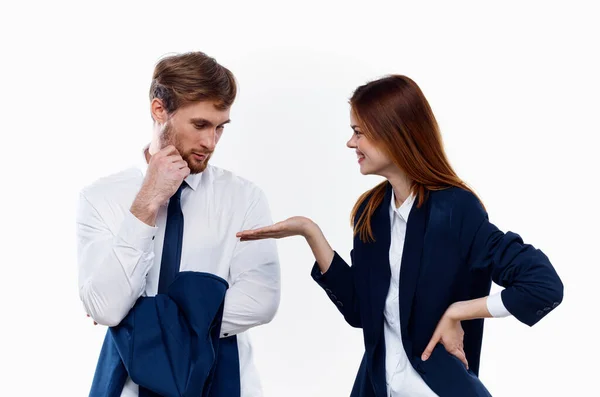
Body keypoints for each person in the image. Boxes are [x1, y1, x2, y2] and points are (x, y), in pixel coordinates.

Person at [237, 75, 563, 396]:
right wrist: (310, 232)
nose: (351, 143)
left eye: (358, 132)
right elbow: (359, 311)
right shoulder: (372, 212)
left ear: (393, 134)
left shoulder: (454, 209)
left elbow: (542, 286)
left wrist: (458, 312)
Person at [77, 51, 280, 397]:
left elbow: (261, 301)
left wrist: (136, 317)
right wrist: (146, 203)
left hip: (224, 381)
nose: (210, 142)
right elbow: (106, 307)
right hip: (127, 386)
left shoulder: (244, 198)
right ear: (160, 110)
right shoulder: (102, 197)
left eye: (220, 127)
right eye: (200, 125)